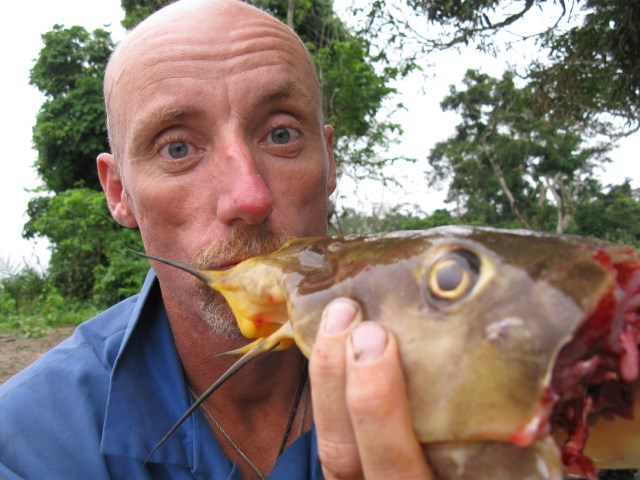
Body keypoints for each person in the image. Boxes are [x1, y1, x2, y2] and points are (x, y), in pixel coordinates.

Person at [0, 0, 433, 478]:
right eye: (178, 148)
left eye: (282, 134)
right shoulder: (24, 442)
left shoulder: (452, 369)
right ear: (119, 192)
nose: (249, 197)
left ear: (329, 162)